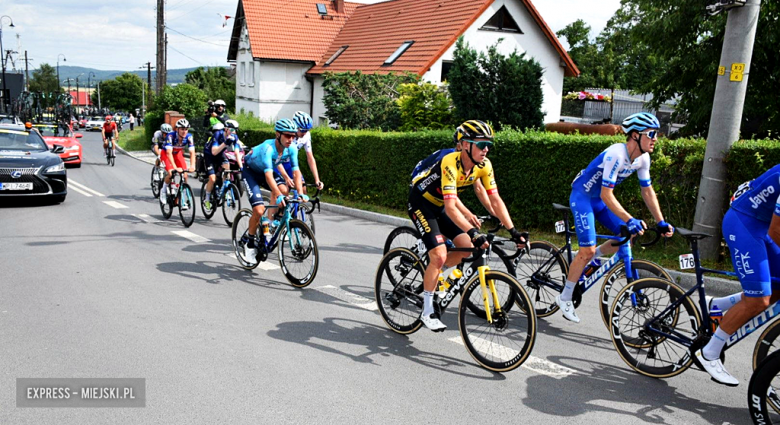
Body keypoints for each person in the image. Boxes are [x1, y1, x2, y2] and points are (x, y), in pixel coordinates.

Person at [408, 119, 528, 331]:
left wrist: (513, 231)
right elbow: (452, 206)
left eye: (489, 144)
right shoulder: (449, 162)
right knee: (439, 254)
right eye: (481, 144)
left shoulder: (484, 166)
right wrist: (473, 230)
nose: (486, 149)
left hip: (441, 206)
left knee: (468, 248)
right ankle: (427, 312)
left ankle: (435, 275)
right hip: (422, 203)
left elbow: (495, 198)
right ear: (464, 144)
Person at [557, 112, 675, 323]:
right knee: (587, 249)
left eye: (657, 133)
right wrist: (630, 219)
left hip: (599, 201)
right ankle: (565, 296)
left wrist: (661, 221)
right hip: (583, 197)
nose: (656, 138)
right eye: (652, 133)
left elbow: (647, 191)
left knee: (626, 235)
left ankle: (590, 259)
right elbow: (606, 194)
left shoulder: (642, 158)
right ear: (636, 135)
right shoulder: (616, 154)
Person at [694, 165, 780, 386]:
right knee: (758, 299)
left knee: (777, 288)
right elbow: (776, 231)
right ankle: (709, 352)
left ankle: (718, 304)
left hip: (761, 225)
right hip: (744, 224)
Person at [239, 119, 306, 262]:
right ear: (278, 134)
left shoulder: (292, 148)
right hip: (251, 172)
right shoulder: (268, 149)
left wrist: (300, 194)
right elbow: (268, 176)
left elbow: (296, 172)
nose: (291, 139)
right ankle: (250, 244)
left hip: (265, 171)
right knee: (258, 210)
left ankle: (270, 223)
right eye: (287, 136)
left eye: (293, 136)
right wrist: (278, 196)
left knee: (284, 191)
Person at [274, 111, 325, 194]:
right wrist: (286, 178)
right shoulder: (286, 135)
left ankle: (295, 206)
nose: (304, 133)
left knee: (303, 189)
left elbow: (310, 157)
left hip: (289, 164)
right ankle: (279, 206)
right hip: (277, 164)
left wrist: (317, 179)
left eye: (307, 130)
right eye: (302, 130)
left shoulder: (306, 135)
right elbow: (277, 158)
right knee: (284, 191)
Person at [202, 120, 244, 210]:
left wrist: (241, 167)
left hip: (220, 154)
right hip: (209, 155)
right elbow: (214, 152)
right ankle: (207, 199)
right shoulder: (218, 134)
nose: (234, 132)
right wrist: (225, 143)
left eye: (236, 130)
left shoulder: (234, 137)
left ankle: (226, 190)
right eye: (232, 130)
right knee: (212, 179)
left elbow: (237, 153)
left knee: (227, 168)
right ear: (226, 129)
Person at [160, 119, 196, 206]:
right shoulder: (170, 136)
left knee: (185, 175)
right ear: (177, 129)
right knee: (171, 173)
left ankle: (182, 196)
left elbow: (192, 152)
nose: (184, 131)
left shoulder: (189, 137)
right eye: (182, 129)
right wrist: (175, 167)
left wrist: (192, 166)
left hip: (177, 154)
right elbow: (168, 153)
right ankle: (163, 191)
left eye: (186, 129)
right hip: (166, 154)